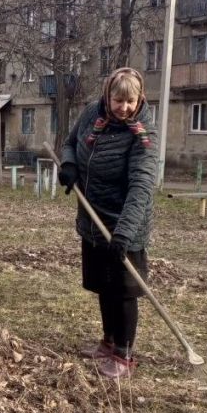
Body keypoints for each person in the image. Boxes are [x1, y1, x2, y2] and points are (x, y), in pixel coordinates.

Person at [58, 67, 157, 379]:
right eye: (118, 100)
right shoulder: (91, 113)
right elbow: (70, 142)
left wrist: (124, 232)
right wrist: (70, 165)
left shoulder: (142, 135)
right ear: (107, 96)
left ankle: (124, 354)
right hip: (92, 216)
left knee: (124, 290)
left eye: (130, 101)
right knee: (104, 285)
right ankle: (109, 341)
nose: (124, 108)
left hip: (126, 222)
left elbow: (141, 185)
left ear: (139, 98)